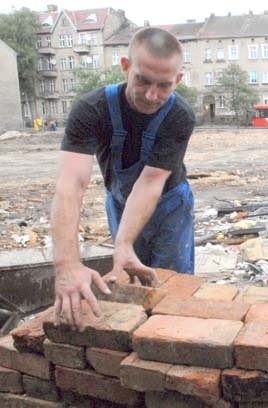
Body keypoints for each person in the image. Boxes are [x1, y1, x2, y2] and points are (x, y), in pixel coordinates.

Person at [51, 27, 196, 330]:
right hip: (120, 201)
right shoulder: (91, 110)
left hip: (171, 206)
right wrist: (66, 265)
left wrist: (124, 241)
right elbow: (70, 185)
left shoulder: (179, 115)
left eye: (164, 86)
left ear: (178, 81)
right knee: (129, 281)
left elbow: (151, 181)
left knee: (171, 287)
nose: (151, 95)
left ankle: (168, 335)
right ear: (126, 67)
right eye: (142, 80)